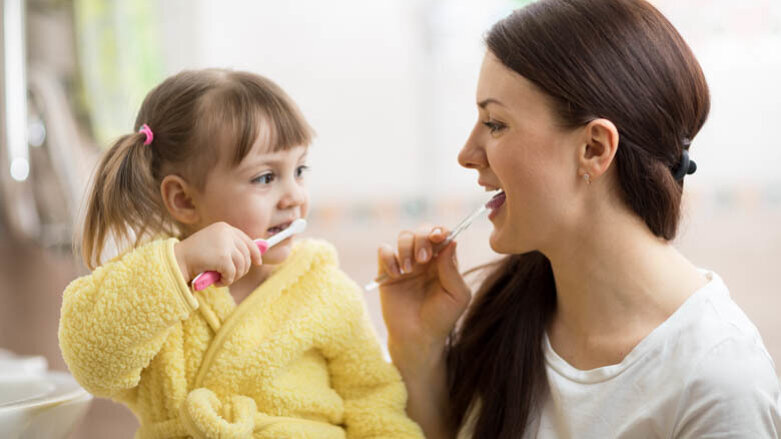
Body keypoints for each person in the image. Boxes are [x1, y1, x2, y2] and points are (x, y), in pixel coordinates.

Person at [375, 0, 781, 437]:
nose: (467, 154)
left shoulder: (718, 384)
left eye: (494, 124)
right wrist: (418, 350)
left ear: (594, 149)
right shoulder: (506, 315)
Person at [59, 69, 423, 438]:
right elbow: (92, 364)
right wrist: (179, 264)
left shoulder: (325, 289)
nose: (295, 195)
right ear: (184, 199)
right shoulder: (152, 287)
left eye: (299, 170)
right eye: (265, 177)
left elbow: (373, 399)